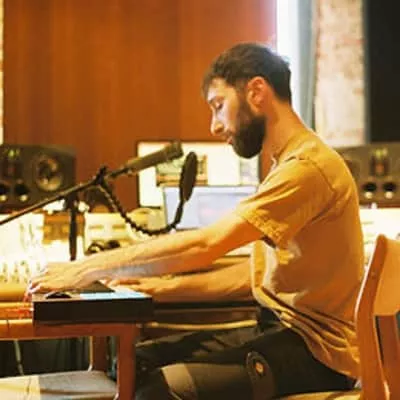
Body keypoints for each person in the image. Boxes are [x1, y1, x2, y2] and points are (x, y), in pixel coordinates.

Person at [28, 42, 364, 399]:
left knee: (155, 391)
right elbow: (250, 276)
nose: (214, 125)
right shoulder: (287, 164)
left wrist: (84, 269)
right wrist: (155, 288)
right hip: (282, 334)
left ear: (256, 92)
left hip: (317, 355)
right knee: (132, 363)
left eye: (218, 106)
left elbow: (207, 244)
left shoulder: (307, 167)